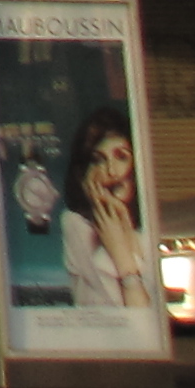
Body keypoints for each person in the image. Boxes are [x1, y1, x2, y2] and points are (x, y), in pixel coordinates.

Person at [58, 103, 146, 307]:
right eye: (98, 160)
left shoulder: (146, 230)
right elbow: (118, 308)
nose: (112, 171)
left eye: (121, 157)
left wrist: (122, 236)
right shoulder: (76, 225)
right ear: (85, 174)